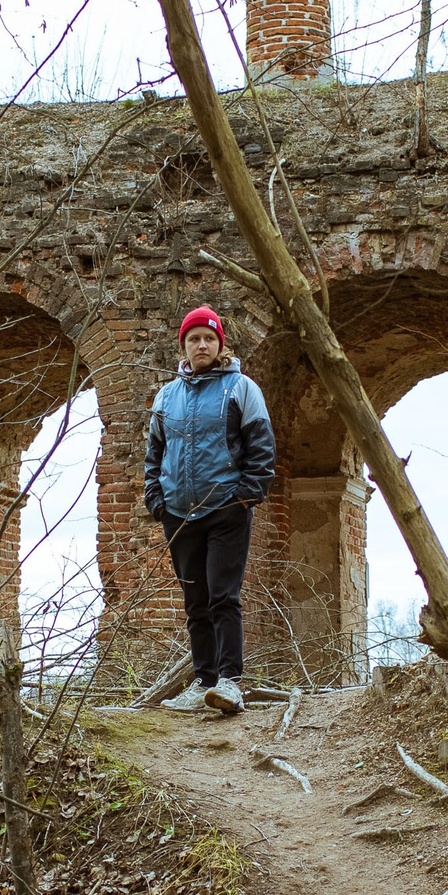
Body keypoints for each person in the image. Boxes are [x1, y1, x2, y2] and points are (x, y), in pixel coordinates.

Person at [144, 305, 275, 715]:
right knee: (195, 601)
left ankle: (230, 682)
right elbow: (154, 453)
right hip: (179, 513)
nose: (202, 344)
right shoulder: (166, 396)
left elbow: (261, 447)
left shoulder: (241, 388)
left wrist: (246, 496)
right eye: (194, 338)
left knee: (223, 597)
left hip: (225, 509)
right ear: (183, 345)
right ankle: (202, 682)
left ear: (220, 345)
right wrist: (156, 500)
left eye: (209, 338)